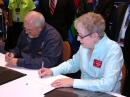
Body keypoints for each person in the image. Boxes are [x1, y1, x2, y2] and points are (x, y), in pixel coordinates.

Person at [39, 12, 124, 93]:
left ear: (94, 36)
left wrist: (74, 82)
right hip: (84, 91)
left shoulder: (113, 50)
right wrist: (52, 71)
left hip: (107, 94)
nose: (78, 39)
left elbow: (107, 85)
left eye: (81, 36)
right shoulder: (85, 45)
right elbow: (73, 64)